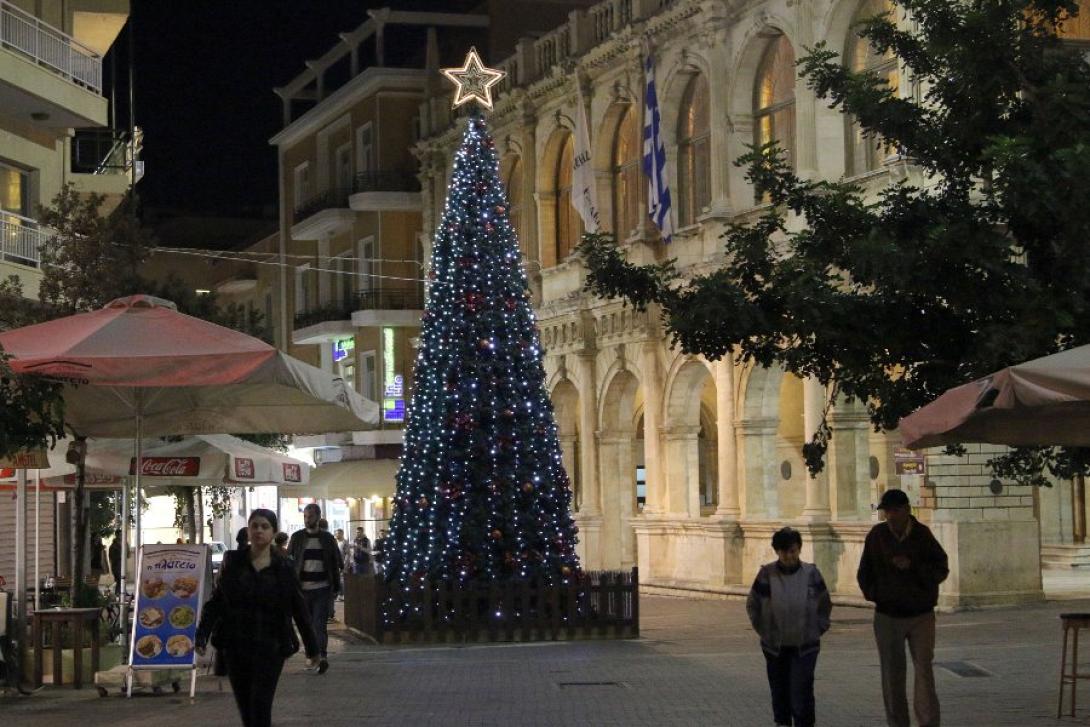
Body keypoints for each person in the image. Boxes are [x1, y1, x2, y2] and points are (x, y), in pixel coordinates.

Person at [196, 509, 318, 727]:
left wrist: (313, 649)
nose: (259, 531)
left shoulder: (284, 567)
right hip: (236, 646)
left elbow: (298, 608)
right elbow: (217, 601)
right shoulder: (233, 561)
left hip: (271, 646)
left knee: (260, 706)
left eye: (265, 526)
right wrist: (202, 635)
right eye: (255, 526)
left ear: (273, 532)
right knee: (246, 710)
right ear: (249, 530)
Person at [858, 489, 949, 727]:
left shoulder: (922, 535)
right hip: (888, 615)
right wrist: (878, 594)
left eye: (895, 511)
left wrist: (913, 566)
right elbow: (864, 573)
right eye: (887, 511)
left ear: (907, 510)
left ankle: (928, 721)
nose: (890, 516)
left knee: (924, 670)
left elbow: (941, 568)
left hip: (921, 614)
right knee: (891, 674)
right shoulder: (877, 536)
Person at [746, 527, 832, 727]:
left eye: (792, 551)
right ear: (777, 552)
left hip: (805, 645)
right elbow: (753, 604)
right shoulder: (766, 574)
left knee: (801, 691)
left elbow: (824, 603)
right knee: (780, 690)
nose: (789, 556)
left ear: (799, 550)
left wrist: (818, 628)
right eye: (784, 552)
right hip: (775, 646)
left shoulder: (811, 574)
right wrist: (764, 631)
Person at [287, 503, 343, 674]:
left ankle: (322, 657)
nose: (307, 519)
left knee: (319, 624)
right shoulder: (297, 538)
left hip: (322, 589)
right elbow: (289, 562)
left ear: (318, 517)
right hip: (302, 590)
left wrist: (336, 588)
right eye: (305, 516)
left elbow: (336, 562)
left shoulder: (327, 539)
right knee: (307, 626)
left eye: (310, 516)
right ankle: (312, 656)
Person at [108, 530, 124, 595]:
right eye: (120, 534)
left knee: (120, 581)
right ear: (117, 535)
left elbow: (127, 554)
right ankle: (116, 593)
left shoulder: (122, 544)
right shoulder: (113, 546)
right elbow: (111, 557)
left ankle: (118, 593)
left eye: (121, 534)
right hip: (116, 566)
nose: (121, 536)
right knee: (119, 581)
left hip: (120, 565)